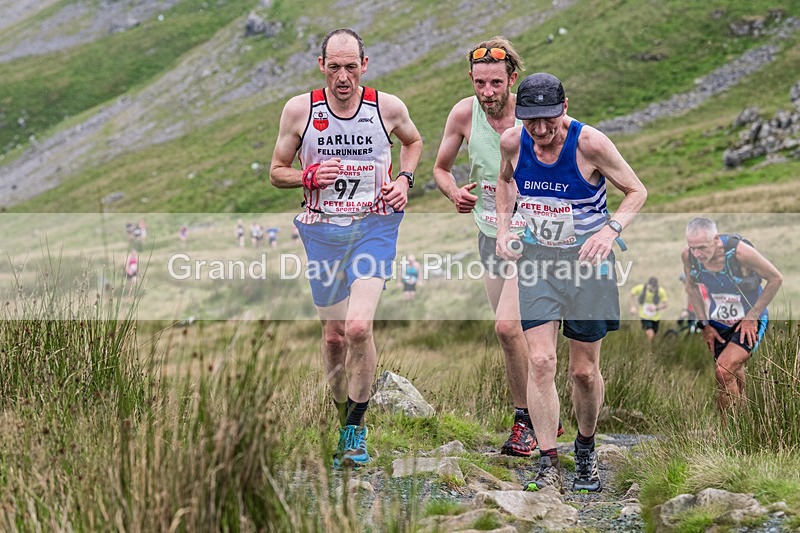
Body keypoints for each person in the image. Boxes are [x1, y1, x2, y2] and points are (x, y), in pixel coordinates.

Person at [269, 28, 422, 469]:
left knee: (357, 328)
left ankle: (356, 428)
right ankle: (343, 419)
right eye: (334, 67)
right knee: (335, 337)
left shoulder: (386, 107)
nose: (342, 77)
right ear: (322, 66)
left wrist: (403, 181)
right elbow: (277, 171)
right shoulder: (300, 110)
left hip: (373, 227)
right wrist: (308, 176)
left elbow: (413, 142)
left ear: (365, 65)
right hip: (322, 232)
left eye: (350, 67)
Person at [495, 72, 647, 493]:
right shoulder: (513, 142)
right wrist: (506, 229)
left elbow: (636, 190)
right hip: (538, 261)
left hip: (587, 264)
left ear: (564, 108)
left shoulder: (590, 144)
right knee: (541, 360)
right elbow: (504, 182)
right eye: (531, 122)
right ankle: (547, 460)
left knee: (583, 371)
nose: (540, 131)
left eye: (548, 120)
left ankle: (585, 447)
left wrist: (609, 230)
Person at [433, 37, 563, 458]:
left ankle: (527, 422)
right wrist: (454, 193)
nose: (487, 92)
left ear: (512, 77)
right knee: (511, 338)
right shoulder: (463, 114)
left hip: (536, 240)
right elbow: (440, 168)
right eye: (479, 83)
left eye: (495, 82)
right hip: (491, 235)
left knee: (508, 327)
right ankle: (538, 413)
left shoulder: (537, 117)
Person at [681, 217, 782, 415]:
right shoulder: (689, 256)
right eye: (692, 247)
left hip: (750, 320)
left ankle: (729, 435)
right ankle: (743, 426)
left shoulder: (740, 253)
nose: (697, 254)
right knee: (731, 373)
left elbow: (775, 278)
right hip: (718, 322)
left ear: (716, 239)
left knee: (723, 371)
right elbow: (691, 287)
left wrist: (752, 316)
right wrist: (705, 325)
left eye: (701, 247)